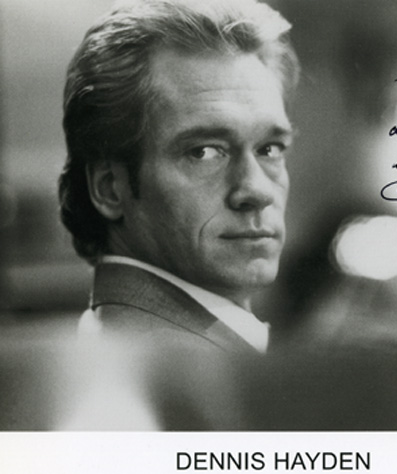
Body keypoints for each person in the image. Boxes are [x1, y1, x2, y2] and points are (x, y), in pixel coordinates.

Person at [58, 0, 300, 358]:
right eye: (204, 152)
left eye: (269, 149)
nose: (257, 190)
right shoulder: (169, 370)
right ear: (110, 188)